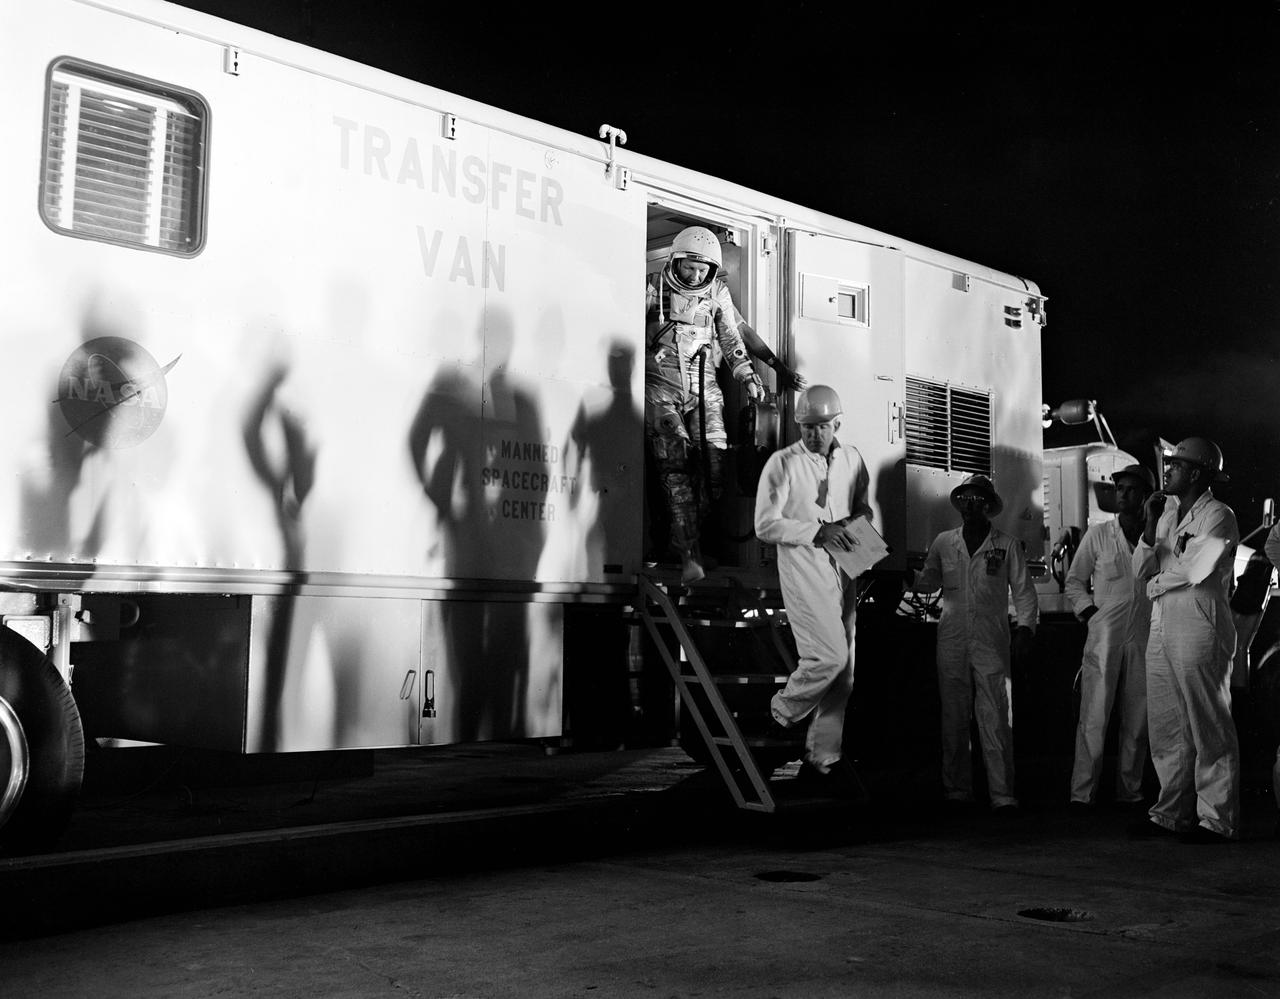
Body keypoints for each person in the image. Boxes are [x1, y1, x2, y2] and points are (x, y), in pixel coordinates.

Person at [754, 385, 872, 794]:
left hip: (845, 568)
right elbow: (765, 525)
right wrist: (817, 532)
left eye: (821, 427)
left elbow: (861, 505)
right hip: (804, 567)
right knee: (828, 657)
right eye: (806, 427)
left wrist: (862, 534)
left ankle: (823, 760)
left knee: (845, 674)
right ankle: (780, 715)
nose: (813, 434)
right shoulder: (782, 464)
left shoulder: (853, 459)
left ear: (836, 423)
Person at [1130, 437, 1240, 843]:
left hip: (1198, 619)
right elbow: (1139, 567)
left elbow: (1195, 570)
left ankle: (1217, 818)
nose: (1168, 470)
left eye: (1176, 465)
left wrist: (1156, 582)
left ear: (1196, 473)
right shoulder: (1167, 512)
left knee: (1207, 720)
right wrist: (1148, 522)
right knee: (1167, 722)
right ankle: (1170, 813)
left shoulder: (1219, 515)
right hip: (1163, 620)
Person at [911, 474, 1038, 812]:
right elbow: (928, 583)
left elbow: (1024, 593)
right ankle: (957, 790)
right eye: (965, 499)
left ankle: (1002, 793)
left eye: (977, 499)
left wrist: (1026, 629)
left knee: (995, 713)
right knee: (953, 715)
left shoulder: (1006, 545)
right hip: (952, 637)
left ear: (988, 505)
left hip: (991, 638)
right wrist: (904, 573)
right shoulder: (943, 543)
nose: (970, 505)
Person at [646, 226, 763, 584]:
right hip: (661, 388)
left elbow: (730, 337)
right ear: (675, 263)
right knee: (676, 469)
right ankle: (688, 554)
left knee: (714, 469)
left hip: (705, 388)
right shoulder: (653, 287)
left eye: (702, 271)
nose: (695, 276)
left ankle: (679, 541)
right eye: (689, 269)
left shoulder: (717, 293)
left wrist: (748, 376)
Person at [1064, 464, 1156, 810]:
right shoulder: (1099, 534)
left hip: (1145, 633)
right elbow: (1075, 581)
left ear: (1145, 496)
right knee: (1094, 714)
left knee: (1138, 718)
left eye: (1131, 490)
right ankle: (1081, 794)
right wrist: (1089, 613)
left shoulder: (1158, 537)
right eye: (1119, 490)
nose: (1123, 496)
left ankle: (1129, 792)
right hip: (1105, 634)